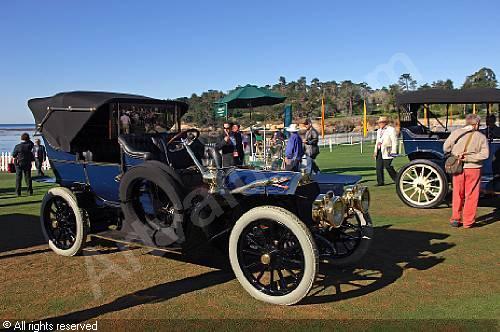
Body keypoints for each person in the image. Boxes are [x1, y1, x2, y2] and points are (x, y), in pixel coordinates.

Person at [444, 114, 489, 228]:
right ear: (477, 124)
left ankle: (455, 219)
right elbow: (485, 154)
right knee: (471, 194)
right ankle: (468, 221)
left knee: (457, 193)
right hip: (473, 168)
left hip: (457, 167)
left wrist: (456, 153)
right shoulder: (481, 137)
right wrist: (469, 157)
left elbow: (446, 147)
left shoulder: (456, 133)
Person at [373, 116, 398, 186]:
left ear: (385, 123)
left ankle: (397, 179)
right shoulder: (378, 131)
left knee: (388, 166)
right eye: (379, 122)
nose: (379, 124)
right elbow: (377, 141)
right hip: (379, 150)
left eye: (381, 122)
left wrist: (394, 151)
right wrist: (375, 151)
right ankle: (380, 182)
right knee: (378, 167)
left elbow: (394, 141)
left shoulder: (391, 129)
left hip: (388, 150)